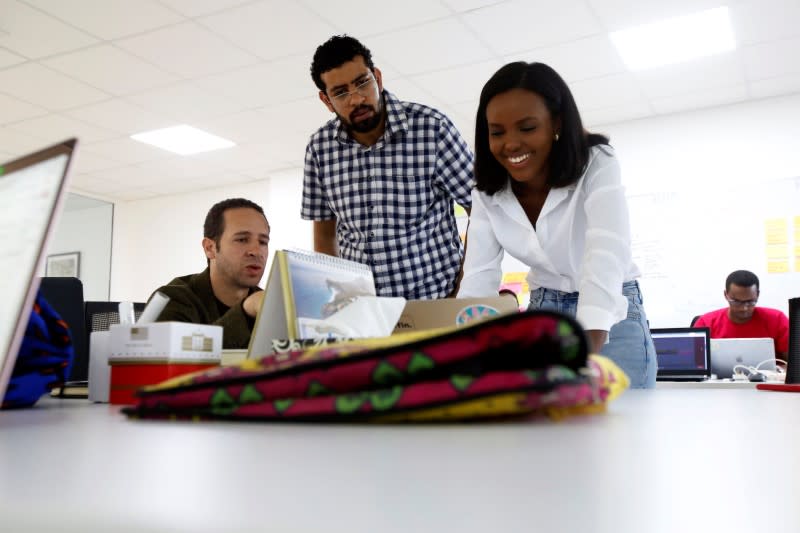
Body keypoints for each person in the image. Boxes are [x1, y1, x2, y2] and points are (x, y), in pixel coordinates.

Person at [457, 61, 657, 388]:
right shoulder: (487, 193)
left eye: (527, 128)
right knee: (548, 431)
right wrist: (460, 347)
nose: (511, 144)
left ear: (556, 124)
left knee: (623, 425)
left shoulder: (597, 162)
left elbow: (606, 252)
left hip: (611, 308)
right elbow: (478, 275)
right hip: (545, 308)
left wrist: (587, 351)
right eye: (497, 132)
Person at [302, 35, 474, 300]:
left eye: (362, 83)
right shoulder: (319, 149)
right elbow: (325, 237)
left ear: (378, 78)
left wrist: (463, 289)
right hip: (365, 312)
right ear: (326, 100)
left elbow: (483, 211)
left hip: (436, 300)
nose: (357, 99)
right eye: (341, 92)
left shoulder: (432, 129)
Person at [152, 198, 269, 349]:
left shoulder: (266, 303)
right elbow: (179, 363)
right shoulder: (171, 299)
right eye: (242, 239)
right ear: (210, 248)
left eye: (263, 242)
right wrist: (246, 311)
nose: (256, 251)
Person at [693, 270, 789, 358]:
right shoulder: (706, 323)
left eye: (750, 301)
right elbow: (694, 361)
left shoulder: (777, 319)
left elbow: (794, 362)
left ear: (757, 294)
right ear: (726, 295)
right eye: (736, 301)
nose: (744, 308)